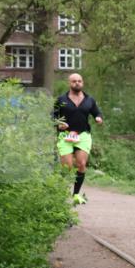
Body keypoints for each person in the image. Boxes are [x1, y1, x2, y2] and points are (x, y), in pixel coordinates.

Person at [54, 73, 104, 205]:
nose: (77, 83)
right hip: (65, 135)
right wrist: (58, 123)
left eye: (79, 81)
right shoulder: (61, 99)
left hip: (83, 135)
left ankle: (76, 194)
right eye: (74, 81)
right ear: (69, 83)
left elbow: (96, 112)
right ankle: (60, 195)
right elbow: (52, 116)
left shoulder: (89, 100)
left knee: (81, 164)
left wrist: (98, 118)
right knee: (67, 167)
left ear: (83, 83)